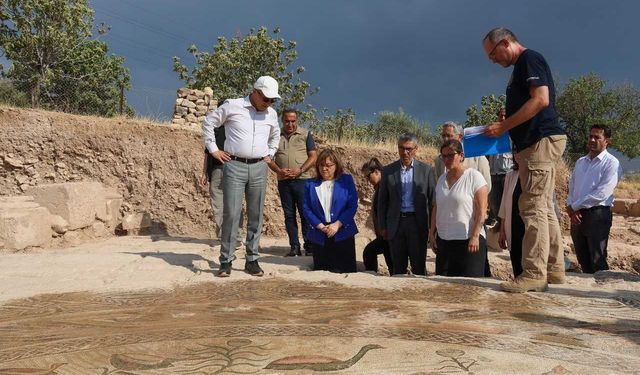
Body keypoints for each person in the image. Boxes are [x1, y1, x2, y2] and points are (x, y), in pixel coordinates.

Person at [483, 27, 567, 292]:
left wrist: (505, 125)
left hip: (539, 142)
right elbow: (532, 102)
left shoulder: (529, 59)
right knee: (542, 206)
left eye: (493, 54)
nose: (492, 60)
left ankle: (533, 273)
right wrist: (512, 115)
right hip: (537, 143)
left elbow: (541, 100)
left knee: (531, 207)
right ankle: (554, 269)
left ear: (505, 43)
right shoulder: (522, 67)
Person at [202, 76, 281, 277]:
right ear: (255, 92)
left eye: (272, 100)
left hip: (259, 168)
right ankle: (226, 260)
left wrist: (270, 153)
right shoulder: (233, 105)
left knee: (256, 215)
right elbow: (208, 123)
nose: (268, 104)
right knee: (232, 214)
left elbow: (275, 135)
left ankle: (252, 259)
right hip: (234, 165)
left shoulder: (271, 114)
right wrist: (214, 150)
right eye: (266, 99)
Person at [434, 121, 492, 276]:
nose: (446, 159)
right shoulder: (440, 170)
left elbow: (484, 197)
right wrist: (432, 232)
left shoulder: (477, 161)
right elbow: (437, 202)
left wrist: (475, 234)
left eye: (449, 135)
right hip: (446, 237)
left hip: (470, 230)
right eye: (443, 135)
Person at [378, 134, 436, 276]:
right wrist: (382, 225)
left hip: (417, 223)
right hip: (395, 225)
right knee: (398, 266)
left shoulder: (426, 170)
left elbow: (433, 200)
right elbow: (382, 201)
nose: (405, 152)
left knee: (418, 265)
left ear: (416, 150)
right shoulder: (388, 171)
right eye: (401, 148)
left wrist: (432, 228)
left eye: (409, 149)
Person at [566, 124, 621, 274]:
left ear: (607, 141)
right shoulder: (580, 162)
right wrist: (571, 206)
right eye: (590, 136)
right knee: (582, 258)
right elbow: (572, 186)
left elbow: (602, 193)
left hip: (598, 215)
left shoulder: (612, 163)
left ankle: (602, 293)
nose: (592, 139)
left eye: (597, 137)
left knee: (598, 259)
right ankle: (586, 293)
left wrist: (575, 206)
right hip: (577, 215)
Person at [267, 109, 317, 257]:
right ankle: (294, 247)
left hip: (303, 180)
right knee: (289, 215)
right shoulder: (276, 135)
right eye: (287, 121)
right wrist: (278, 171)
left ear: (297, 121)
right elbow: (268, 158)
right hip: (284, 182)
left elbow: (313, 156)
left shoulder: (306, 134)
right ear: (282, 121)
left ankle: (309, 246)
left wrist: (300, 170)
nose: (290, 124)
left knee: (305, 214)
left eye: (293, 121)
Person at [303, 149, 358, 273]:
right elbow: (306, 208)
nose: (324, 169)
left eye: (328, 165)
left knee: (345, 271)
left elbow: (352, 206)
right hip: (319, 235)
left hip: (343, 233)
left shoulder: (346, 180)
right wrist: (321, 226)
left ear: (336, 165)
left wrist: (337, 224)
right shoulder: (310, 184)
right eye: (321, 165)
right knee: (322, 273)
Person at [198, 99, 244, 241]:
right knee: (218, 204)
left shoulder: (237, 128)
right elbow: (207, 152)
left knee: (235, 204)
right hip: (216, 170)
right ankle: (225, 235)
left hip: (234, 169)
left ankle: (235, 235)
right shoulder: (214, 129)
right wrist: (204, 172)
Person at [434, 121, 492, 193]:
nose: (445, 139)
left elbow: (487, 186)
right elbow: (438, 187)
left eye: (449, 136)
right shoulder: (439, 160)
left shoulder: (477, 158)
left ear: (460, 137)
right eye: (443, 136)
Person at [360, 158, 393, 274]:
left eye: (368, 176)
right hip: (384, 234)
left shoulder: (386, 186)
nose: (368, 180)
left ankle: (371, 275)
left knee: (369, 252)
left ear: (377, 172)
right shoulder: (379, 187)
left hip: (388, 234)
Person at [498, 154, 525, 278]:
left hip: (531, 230)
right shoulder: (510, 175)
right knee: (517, 268)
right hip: (513, 228)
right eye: (515, 151)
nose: (517, 155)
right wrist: (502, 231)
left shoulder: (537, 174)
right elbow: (504, 205)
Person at [487, 108, 514, 226]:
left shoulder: (513, 133)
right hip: (494, 174)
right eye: (500, 115)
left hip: (508, 173)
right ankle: (499, 225)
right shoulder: (492, 134)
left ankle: (508, 226)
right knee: (494, 202)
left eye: (505, 116)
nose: (502, 118)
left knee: (508, 203)